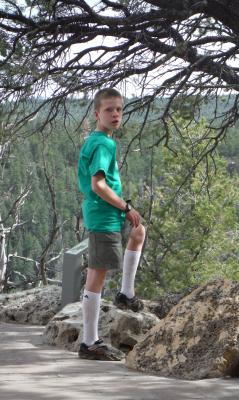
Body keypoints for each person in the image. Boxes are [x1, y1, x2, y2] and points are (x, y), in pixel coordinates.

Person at [77, 88, 146, 360]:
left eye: (119, 109)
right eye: (109, 110)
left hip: (105, 212)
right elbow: (98, 184)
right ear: (97, 114)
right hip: (103, 213)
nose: (115, 114)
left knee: (139, 231)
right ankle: (90, 342)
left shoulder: (98, 138)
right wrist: (125, 206)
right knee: (97, 273)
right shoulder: (104, 144)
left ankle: (126, 294)